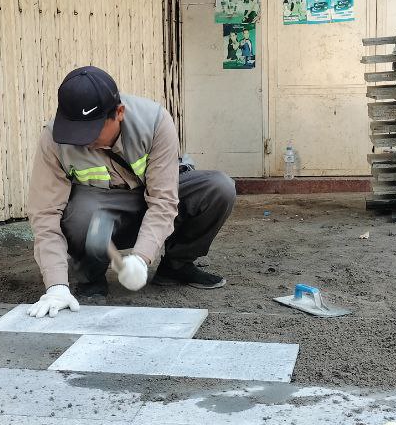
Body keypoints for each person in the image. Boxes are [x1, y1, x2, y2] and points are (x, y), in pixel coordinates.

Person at [25, 66, 237, 318]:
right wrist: (56, 285)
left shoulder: (154, 121)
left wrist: (141, 257)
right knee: (83, 213)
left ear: (119, 113)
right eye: (75, 131)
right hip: (102, 214)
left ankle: (177, 265)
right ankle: (90, 276)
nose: (82, 141)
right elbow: (45, 214)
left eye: (91, 130)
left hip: (149, 199)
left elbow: (163, 200)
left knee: (218, 187)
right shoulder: (54, 138)